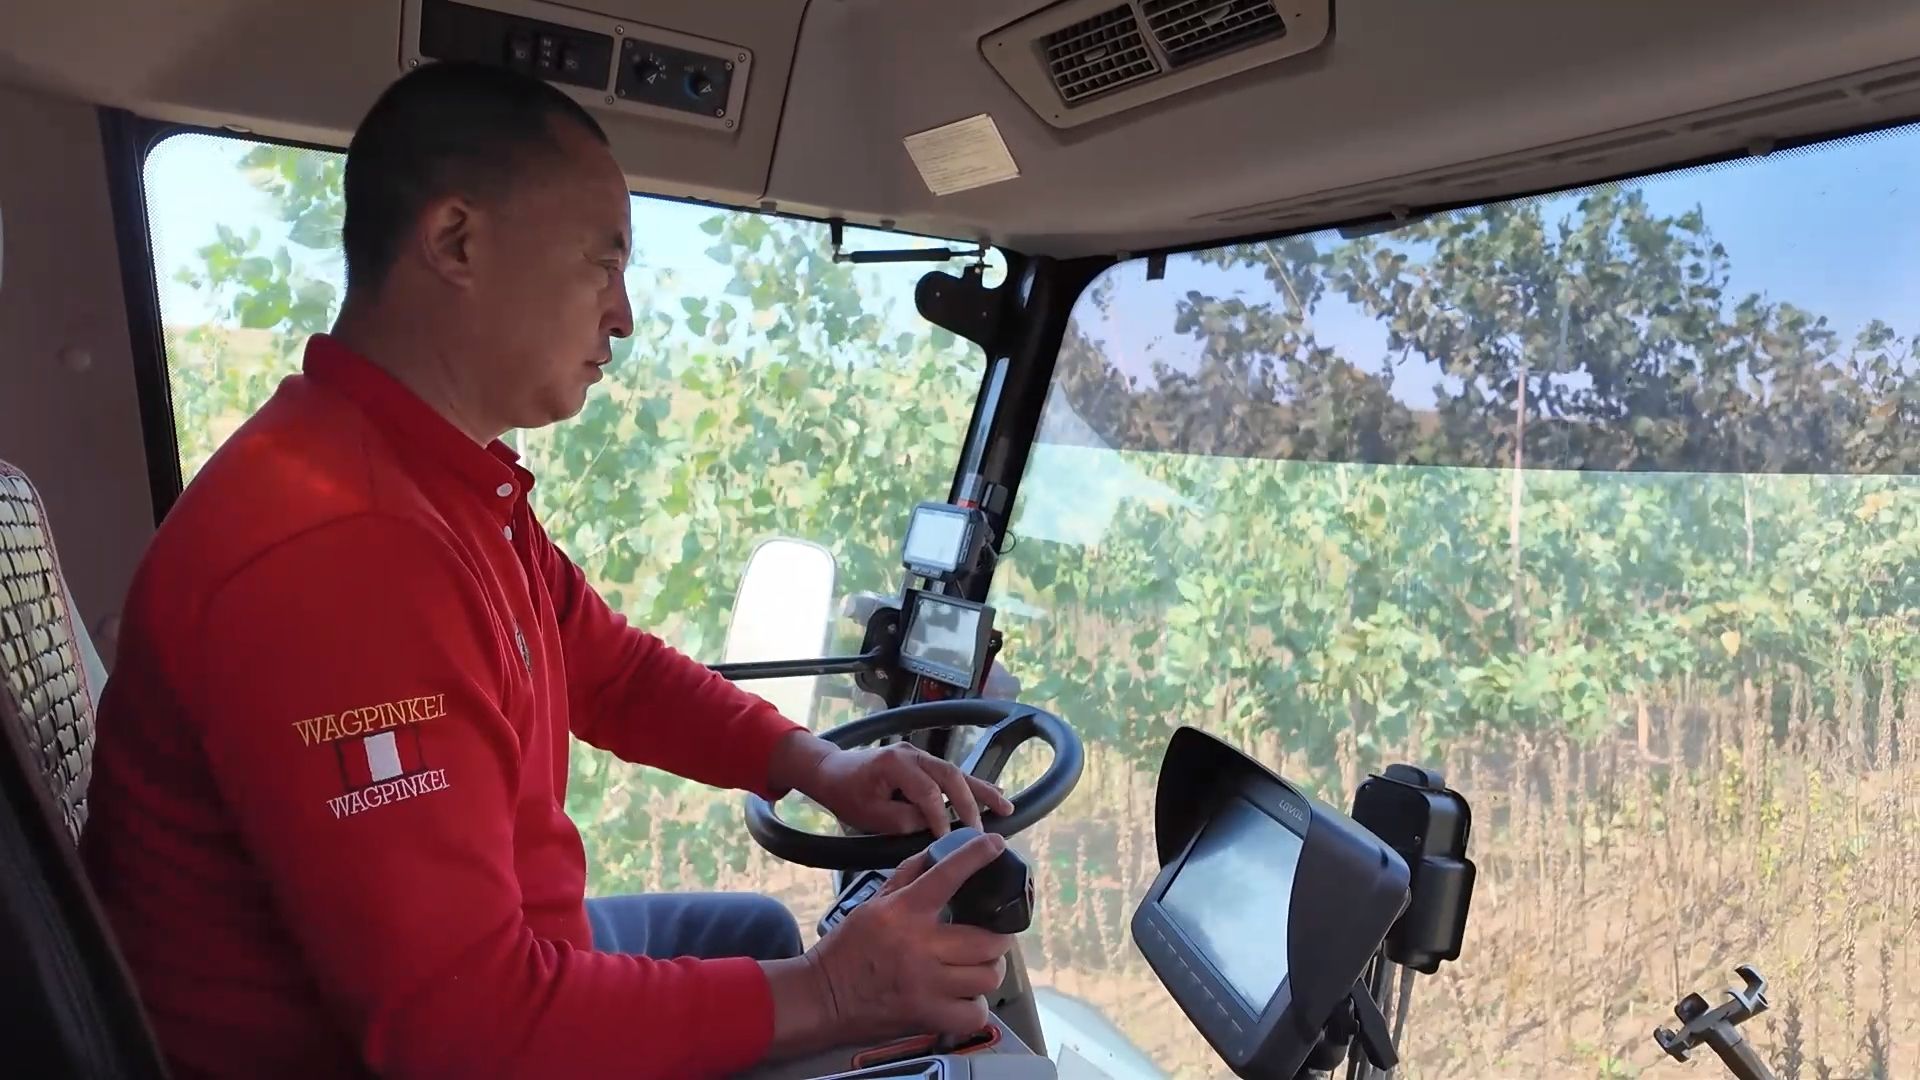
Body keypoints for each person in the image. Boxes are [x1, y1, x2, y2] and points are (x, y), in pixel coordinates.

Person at [80, 60, 1020, 1079]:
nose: (624, 315)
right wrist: (834, 991)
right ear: (457, 241)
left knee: (750, 930)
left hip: (504, 967)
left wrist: (817, 766)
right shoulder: (342, 553)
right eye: (602, 262)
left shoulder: (437, 484)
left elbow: (613, 671)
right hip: (387, 1045)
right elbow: (462, 1035)